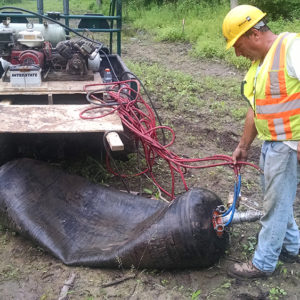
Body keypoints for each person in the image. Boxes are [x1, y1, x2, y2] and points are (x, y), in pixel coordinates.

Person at [222, 4, 300, 279]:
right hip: (272, 144)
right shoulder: (260, 65)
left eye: (238, 44)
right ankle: (292, 247)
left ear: (254, 34)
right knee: (278, 200)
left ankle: (263, 263)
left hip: (290, 145)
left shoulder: (291, 48)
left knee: (275, 206)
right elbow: (255, 111)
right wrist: (243, 146)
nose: (237, 52)